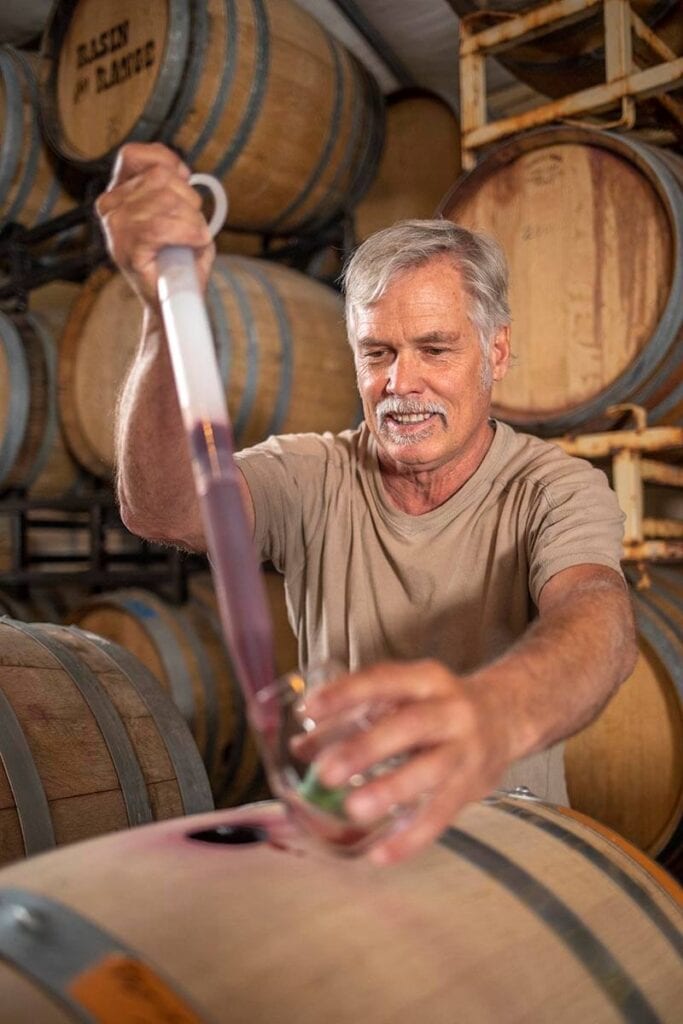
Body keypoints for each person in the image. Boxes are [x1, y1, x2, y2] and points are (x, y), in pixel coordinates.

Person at [96, 142, 637, 865]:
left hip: (502, 848)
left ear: (496, 353)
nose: (400, 383)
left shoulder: (549, 488)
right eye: (376, 353)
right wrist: (165, 311)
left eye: (435, 350)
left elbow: (598, 616)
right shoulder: (314, 472)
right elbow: (162, 509)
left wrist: (493, 712)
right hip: (339, 839)